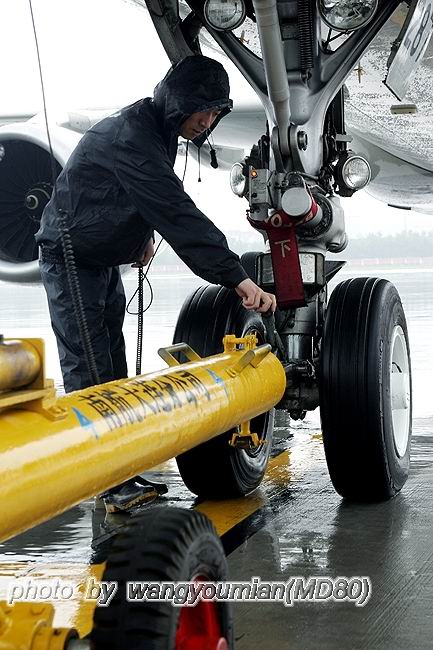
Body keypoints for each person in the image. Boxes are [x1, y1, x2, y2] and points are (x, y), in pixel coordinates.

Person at [35, 54, 276, 511]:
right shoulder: (134, 135)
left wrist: (140, 236)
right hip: (71, 260)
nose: (206, 123)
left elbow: (133, 194)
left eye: (214, 114)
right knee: (90, 370)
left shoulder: (158, 129)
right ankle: (106, 482)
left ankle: (120, 471)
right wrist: (235, 277)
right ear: (179, 102)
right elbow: (174, 210)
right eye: (202, 111)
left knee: (113, 368)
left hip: (101, 261)